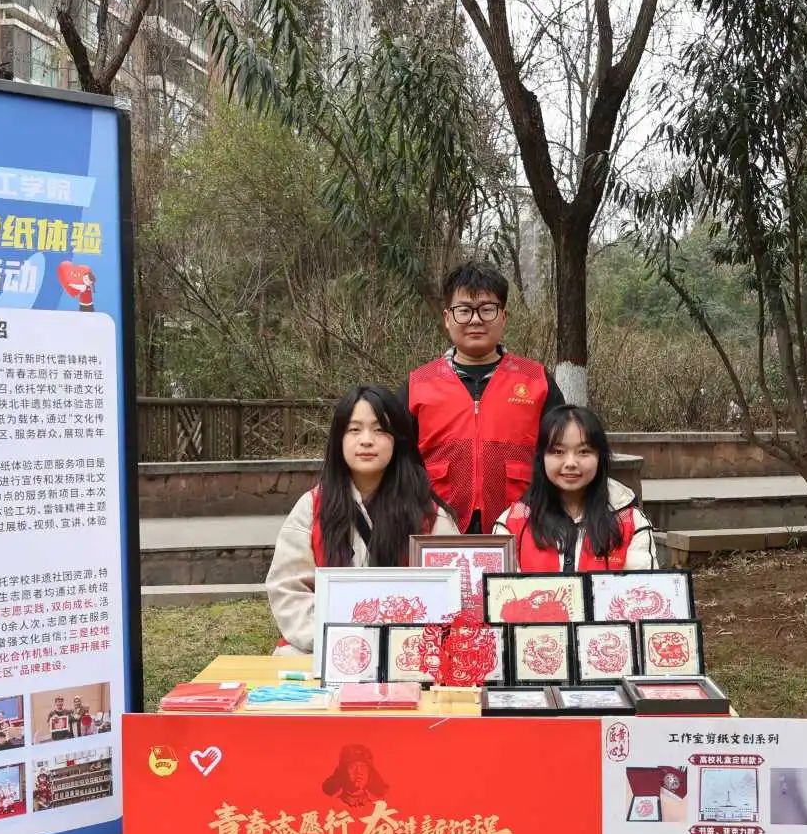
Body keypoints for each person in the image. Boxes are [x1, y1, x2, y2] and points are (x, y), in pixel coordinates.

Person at [266, 385, 459, 655]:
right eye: (354, 429)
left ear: (398, 439)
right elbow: (288, 589)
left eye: (379, 430)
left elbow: (451, 593)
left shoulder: (430, 515)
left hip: (407, 651)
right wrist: (333, 640)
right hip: (328, 646)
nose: (366, 440)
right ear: (339, 439)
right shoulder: (312, 507)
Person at [402, 261, 565, 534]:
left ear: (503, 317)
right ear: (447, 318)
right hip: (436, 528)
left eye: (487, 309)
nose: (476, 320)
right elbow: (399, 460)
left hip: (523, 525)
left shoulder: (536, 380)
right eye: (464, 310)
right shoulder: (419, 383)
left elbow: (561, 450)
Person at [494, 405, 657, 571]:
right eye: (558, 452)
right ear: (541, 458)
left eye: (584, 451)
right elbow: (501, 587)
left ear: (600, 457)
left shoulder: (631, 522)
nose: (571, 463)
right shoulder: (512, 524)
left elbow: (642, 585)